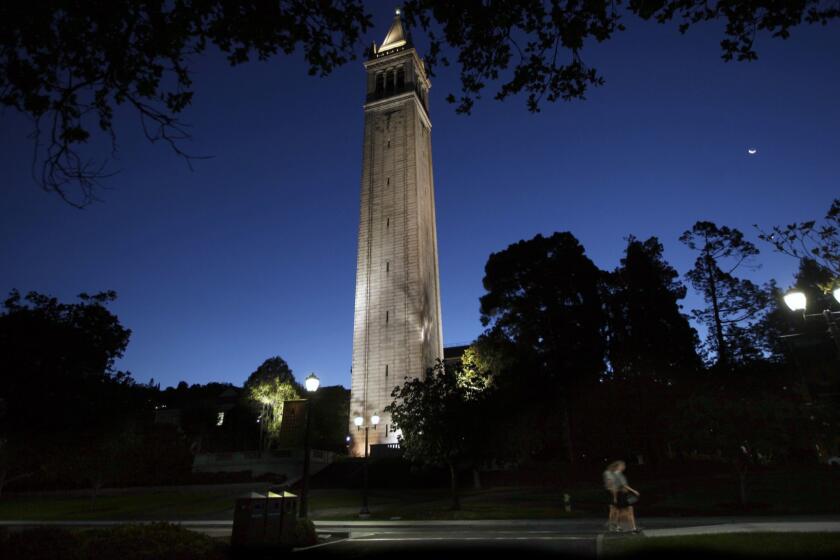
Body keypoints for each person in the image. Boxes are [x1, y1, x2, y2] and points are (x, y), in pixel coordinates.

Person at [612, 460, 641, 533]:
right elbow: (623, 485)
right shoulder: (617, 474)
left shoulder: (617, 474)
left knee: (622, 512)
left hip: (622, 495)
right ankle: (633, 528)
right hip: (622, 495)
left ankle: (618, 526)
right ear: (619, 466)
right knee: (629, 511)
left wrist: (615, 497)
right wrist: (633, 491)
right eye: (622, 466)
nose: (624, 467)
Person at [602, 461, 620, 531]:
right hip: (611, 491)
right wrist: (615, 496)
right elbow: (610, 483)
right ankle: (613, 525)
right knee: (614, 509)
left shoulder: (607, 473)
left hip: (610, 491)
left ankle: (613, 524)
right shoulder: (608, 473)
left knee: (614, 509)